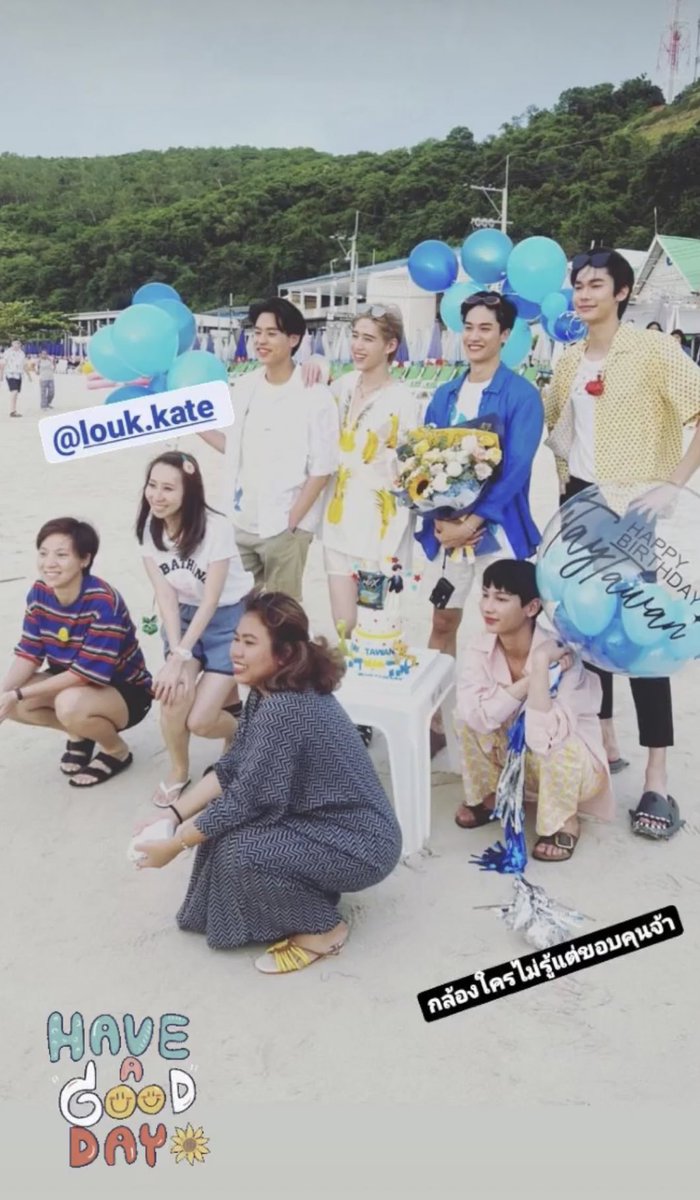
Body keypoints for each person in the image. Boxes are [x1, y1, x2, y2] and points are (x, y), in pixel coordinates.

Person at [134, 591, 403, 974]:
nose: (236, 652)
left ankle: (325, 930)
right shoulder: (268, 692)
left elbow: (242, 801)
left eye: (250, 642)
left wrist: (175, 845)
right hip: (326, 825)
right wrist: (173, 816)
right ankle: (305, 890)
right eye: (236, 639)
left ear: (284, 654)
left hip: (361, 844)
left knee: (240, 851)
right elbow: (233, 767)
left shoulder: (284, 708)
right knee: (223, 831)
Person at [544, 247, 700, 838]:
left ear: (622, 292)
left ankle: (657, 776)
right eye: (578, 285)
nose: (584, 294)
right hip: (579, 507)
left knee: (642, 635)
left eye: (596, 285)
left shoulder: (655, 351)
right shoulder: (567, 359)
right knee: (587, 630)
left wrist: (672, 485)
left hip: (634, 509)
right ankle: (604, 743)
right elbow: (550, 427)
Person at [416, 292, 544, 755]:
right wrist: (438, 519)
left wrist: (473, 520)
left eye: (485, 328)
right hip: (449, 535)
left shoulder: (522, 396)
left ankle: (515, 726)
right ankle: (434, 720)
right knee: (442, 618)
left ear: (505, 335)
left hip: (499, 534)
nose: (474, 336)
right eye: (468, 326)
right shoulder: (445, 394)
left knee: (509, 628)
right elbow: (422, 464)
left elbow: (516, 471)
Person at [455, 559, 613, 860]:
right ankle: (492, 795)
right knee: (465, 718)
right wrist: (528, 682)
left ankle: (564, 820)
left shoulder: (562, 655)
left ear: (531, 607)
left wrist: (541, 663)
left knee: (559, 744)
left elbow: (544, 739)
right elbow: (475, 716)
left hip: (574, 769)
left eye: (501, 599)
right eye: (485, 595)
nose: (488, 607)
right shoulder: (480, 646)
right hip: (518, 760)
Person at [198, 297, 338, 603]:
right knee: (232, 604)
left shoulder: (315, 394)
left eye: (271, 333)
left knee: (281, 612)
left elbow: (323, 468)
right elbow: (235, 447)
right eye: (257, 332)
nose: (261, 340)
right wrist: (196, 426)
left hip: (285, 524)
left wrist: (292, 521)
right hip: (242, 519)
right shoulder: (246, 386)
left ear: (293, 339)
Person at [136, 451, 253, 807]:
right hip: (183, 619)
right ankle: (178, 770)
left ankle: (242, 731)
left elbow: (212, 599)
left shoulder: (215, 528)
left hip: (228, 618)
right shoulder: (149, 527)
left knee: (201, 721)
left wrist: (181, 656)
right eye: (152, 485)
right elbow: (166, 596)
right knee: (173, 697)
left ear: (189, 491)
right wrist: (177, 654)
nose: (157, 496)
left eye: (168, 488)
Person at [0, 518, 152, 785]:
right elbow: (29, 653)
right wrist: (5, 694)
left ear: (84, 559)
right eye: (43, 553)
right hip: (72, 682)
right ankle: (81, 733)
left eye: (61, 555)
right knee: (12, 704)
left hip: (124, 690)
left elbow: (84, 674)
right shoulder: (39, 592)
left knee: (67, 704)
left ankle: (115, 750)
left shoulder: (103, 602)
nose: (49, 563)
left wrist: (17, 693)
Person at [321, 304, 423, 633]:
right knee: (343, 627)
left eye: (368, 339)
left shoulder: (403, 401)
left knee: (374, 630)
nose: (357, 345)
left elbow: (411, 470)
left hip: (380, 534)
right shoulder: (342, 387)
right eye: (355, 336)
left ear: (390, 345)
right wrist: (316, 364)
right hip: (337, 525)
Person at [2, 339, 31, 417]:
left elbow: (24, 365)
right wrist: (1, 375)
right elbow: (2, 364)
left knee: (16, 393)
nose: (17, 345)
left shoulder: (22, 353)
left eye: (18, 343)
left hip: (19, 375)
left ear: (20, 344)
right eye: (15, 343)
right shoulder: (7, 352)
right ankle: (12, 411)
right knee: (14, 392)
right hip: (10, 374)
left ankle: (14, 409)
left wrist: (29, 376)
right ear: (12, 344)